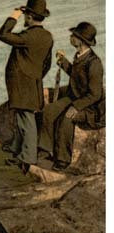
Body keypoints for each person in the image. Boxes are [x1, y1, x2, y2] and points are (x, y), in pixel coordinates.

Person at [0, 0, 53, 173]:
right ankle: (16, 148)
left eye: (25, 15)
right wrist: (35, 76)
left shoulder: (27, 36)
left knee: (26, 121)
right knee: (23, 118)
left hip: (22, 84)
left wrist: (14, 15)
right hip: (33, 82)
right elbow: (47, 63)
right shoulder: (47, 36)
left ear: (29, 16)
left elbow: (2, 34)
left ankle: (27, 158)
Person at [37, 22, 105, 170]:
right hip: (75, 98)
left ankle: (62, 160)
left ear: (80, 40)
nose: (71, 37)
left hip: (91, 108)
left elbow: (95, 94)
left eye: (74, 35)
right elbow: (76, 77)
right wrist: (63, 62)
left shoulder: (94, 63)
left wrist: (76, 107)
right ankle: (44, 150)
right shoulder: (80, 56)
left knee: (66, 118)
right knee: (49, 110)